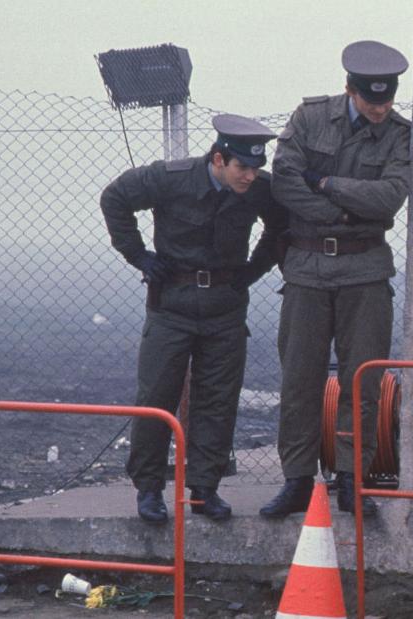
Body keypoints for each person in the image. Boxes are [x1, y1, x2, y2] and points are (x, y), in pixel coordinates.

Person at [100, 114, 286, 523]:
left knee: (217, 400)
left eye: (256, 168)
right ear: (218, 159)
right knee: (156, 397)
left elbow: (280, 228)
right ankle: (148, 489)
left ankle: (204, 489)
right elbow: (114, 198)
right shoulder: (172, 178)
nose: (251, 176)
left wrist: (251, 272)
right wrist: (140, 256)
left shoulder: (259, 189)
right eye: (242, 167)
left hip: (225, 309)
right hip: (172, 307)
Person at [260, 40, 411, 519]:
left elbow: (388, 198)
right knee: (299, 380)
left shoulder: (400, 134)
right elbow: (284, 181)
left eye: (387, 102)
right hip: (306, 268)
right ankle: (297, 481)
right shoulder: (309, 118)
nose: (380, 110)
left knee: (362, 381)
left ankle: (352, 479)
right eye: (371, 102)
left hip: (365, 270)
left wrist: (324, 184)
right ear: (350, 89)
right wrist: (344, 212)